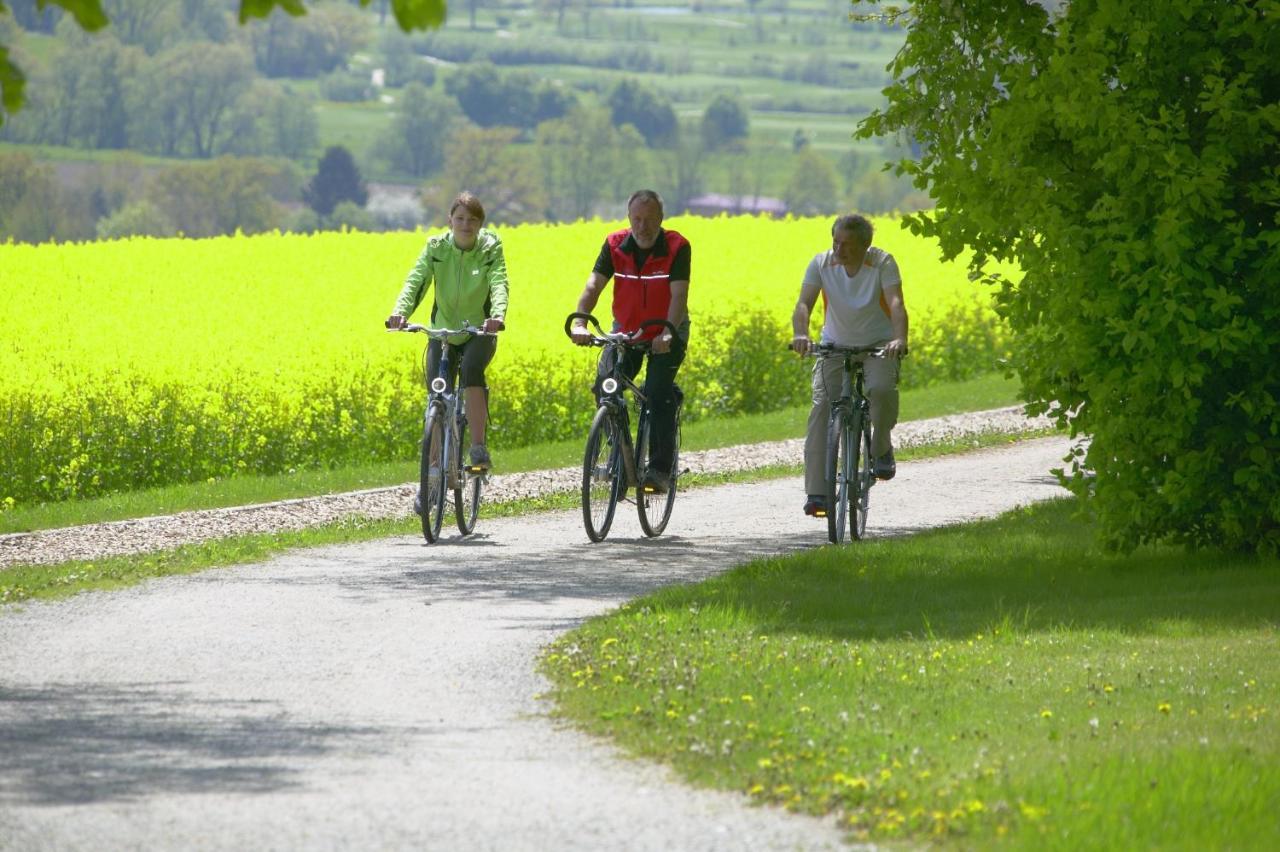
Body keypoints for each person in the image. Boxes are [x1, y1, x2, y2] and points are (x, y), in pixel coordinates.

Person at [569, 189, 690, 494]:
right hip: (628, 332)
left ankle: (659, 470)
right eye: (636, 218)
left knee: (656, 392)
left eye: (650, 219)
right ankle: (619, 458)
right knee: (605, 385)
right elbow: (594, 284)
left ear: (661, 219)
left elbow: (679, 296)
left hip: (667, 330)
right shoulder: (614, 244)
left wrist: (667, 333)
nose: (642, 226)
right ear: (628, 218)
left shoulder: (677, 246)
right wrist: (581, 320)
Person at [790, 213, 909, 517]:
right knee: (821, 409)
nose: (839, 250)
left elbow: (896, 303)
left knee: (880, 389)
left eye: (848, 245)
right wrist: (801, 334)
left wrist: (899, 339)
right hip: (834, 345)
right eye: (836, 242)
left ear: (865, 246)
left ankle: (880, 447)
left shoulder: (882, 263)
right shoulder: (821, 263)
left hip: (877, 345)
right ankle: (818, 493)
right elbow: (804, 303)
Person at [387, 191, 508, 483]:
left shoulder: (490, 247)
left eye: (472, 220)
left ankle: (478, 448)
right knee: (436, 397)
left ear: (480, 224)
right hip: (442, 331)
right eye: (460, 218)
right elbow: (416, 280)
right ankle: (432, 479)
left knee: (470, 372)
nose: (466, 225)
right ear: (450, 220)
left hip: (479, 330)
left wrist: (498, 316)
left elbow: (499, 283)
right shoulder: (436, 248)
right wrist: (400, 313)